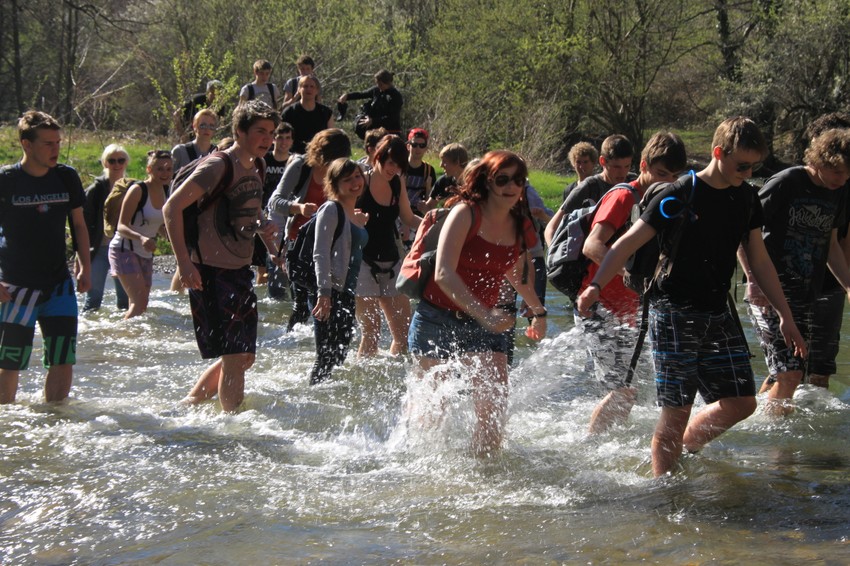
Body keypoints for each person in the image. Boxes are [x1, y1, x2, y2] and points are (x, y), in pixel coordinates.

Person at [576, 117, 807, 476]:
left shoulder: (746, 197)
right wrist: (595, 285)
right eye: (741, 165)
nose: (747, 173)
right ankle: (664, 490)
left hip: (718, 311)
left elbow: (759, 260)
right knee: (676, 409)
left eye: (754, 166)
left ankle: (682, 448)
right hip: (672, 311)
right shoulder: (678, 194)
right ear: (718, 153)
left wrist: (785, 315)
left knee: (743, 402)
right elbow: (626, 243)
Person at [407, 150, 547, 456]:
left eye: (518, 180)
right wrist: (484, 313)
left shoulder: (520, 224)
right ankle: (428, 472)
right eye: (503, 179)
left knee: (493, 407)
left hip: (485, 323)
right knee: (431, 413)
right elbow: (444, 273)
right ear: (487, 181)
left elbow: (516, 272)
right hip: (437, 317)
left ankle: (484, 478)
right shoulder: (465, 214)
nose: (511, 186)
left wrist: (539, 312)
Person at [163, 100, 281, 412]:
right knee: (234, 356)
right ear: (239, 131)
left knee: (243, 357)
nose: (268, 139)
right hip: (211, 271)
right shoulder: (217, 166)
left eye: (271, 132)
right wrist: (184, 263)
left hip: (240, 271)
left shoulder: (257, 165)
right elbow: (171, 208)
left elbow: (249, 214)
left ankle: (190, 403)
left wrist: (265, 232)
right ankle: (233, 425)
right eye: (260, 131)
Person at [578, 131, 687, 434]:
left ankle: (608, 445)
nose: (668, 182)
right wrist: (630, 277)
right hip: (599, 305)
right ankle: (589, 445)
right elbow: (592, 245)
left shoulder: (668, 200)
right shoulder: (624, 196)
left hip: (629, 311)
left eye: (675, 176)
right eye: (661, 174)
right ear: (643, 165)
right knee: (623, 390)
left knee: (629, 390)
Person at [741, 127, 850, 416]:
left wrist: (849, 286)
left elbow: (831, 246)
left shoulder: (837, 193)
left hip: (804, 294)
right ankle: (777, 449)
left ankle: (751, 421)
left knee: (788, 372)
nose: (843, 180)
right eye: (838, 172)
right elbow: (743, 229)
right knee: (790, 374)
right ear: (821, 160)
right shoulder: (787, 182)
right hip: (768, 291)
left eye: (848, 174)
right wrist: (752, 280)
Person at [0, 110, 91, 404]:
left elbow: (78, 224)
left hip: (58, 285)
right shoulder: (6, 180)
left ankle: (56, 418)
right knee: (11, 361)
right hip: (16, 287)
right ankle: (8, 425)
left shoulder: (66, 176)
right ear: (27, 144)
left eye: (58, 143)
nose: (56, 149)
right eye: (48, 144)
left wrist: (85, 266)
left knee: (63, 358)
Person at [267, 128, 352, 331]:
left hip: (333, 246)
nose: (335, 166)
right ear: (320, 153)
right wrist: (299, 208)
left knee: (334, 302)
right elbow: (274, 201)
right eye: (332, 160)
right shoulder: (301, 166)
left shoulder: (344, 170)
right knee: (302, 306)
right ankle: (293, 344)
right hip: (299, 243)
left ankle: (322, 344)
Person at [355, 135, 422, 357]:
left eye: (399, 165)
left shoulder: (397, 182)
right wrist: (354, 218)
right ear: (378, 156)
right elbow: (338, 214)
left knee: (403, 337)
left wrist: (436, 227)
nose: (393, 169)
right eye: (390, 162)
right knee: (371, 333)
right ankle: (362, 383)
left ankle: (392, 384)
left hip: (392, 262)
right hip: (362, 263)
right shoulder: (360, 179)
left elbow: (408, 217)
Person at [309, 159, 370, 384]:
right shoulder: (331, 209)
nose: (355, 183)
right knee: (325, 357)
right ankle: (311, 404)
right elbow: (320, 253)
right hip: (329, 292)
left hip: (346, 291)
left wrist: (360, 224)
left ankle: (327, 401)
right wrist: (324, 293)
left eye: (357, 176)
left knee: (339, 354)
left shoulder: (353, 213)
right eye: (347, 179)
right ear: (335, 184)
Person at [803, 113, 850, 390]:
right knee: (786, 370)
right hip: (793, 283)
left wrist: (845, 287)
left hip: (831, 283)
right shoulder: (797, 182)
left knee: (820, 368)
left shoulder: (843, 184)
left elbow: (842, 240)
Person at [107, 150, 172, 319]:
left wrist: (169, 236)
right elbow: (121, 226)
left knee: (141, 304)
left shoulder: (167, 192)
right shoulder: (138, 190)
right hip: (123, 249)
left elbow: (154, 223)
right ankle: (120, 336)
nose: (164, 173)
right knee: (139, 303)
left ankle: (130, 337)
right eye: (159, 169)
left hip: (145, 253)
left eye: (168, 169)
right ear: (149, 169)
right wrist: (142, 238)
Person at [544, 135, 636, 245]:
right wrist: (553, 256)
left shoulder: (633, 182)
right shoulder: (588, 187)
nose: (622, 173)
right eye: (616, 167)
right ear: (602, 161)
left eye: (627, 166)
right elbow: (552, 227)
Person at [81, 144, 130, 311]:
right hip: (99, 248)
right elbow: (84, 222)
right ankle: (89, 332)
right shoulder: (95, 189)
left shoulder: (132, 187)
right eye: (112, 160)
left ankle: (123, 333)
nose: (116, 164)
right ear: (105, 163)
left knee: (125, 301)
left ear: (126, 162)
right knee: (93, 299)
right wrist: (81, 254)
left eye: (121, 160)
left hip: (124, 249)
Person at [261, 122, 295, 297]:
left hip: (290, 215)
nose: (283, 142)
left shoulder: (295, 162)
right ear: (273, 139)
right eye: (280, 138)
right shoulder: (264, 160)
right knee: (268, 260)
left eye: (287, 138)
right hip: (266, 215)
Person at [337, 69, 403, 139]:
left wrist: (373, 121)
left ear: (387, 83)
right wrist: (347, 96)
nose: (379, 87)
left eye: (380, 84)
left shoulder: (396, 96)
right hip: (376, 130)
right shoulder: (376, 90)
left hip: (391, 131)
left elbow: (392, 118)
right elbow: (361, 94)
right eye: (377, 84)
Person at [281, 75, 335, 155]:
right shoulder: (289, 112)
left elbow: (332, 137)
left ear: (317, 90)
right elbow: (281, 137)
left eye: (312, 86)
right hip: (294, 156)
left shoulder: (326, 112)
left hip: (319, 155)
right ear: (299, 89)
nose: (308, 89)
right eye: (305, 86)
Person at [404, 128, 437, 215]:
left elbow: (432, 204)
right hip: (400, 215)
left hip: (420, 216)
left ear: (425, 148)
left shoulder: (429, 170)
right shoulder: (400, 167)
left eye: (422, 145)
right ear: (408, 146)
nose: (418, 148)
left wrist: (428, 188)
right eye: (414, 145)